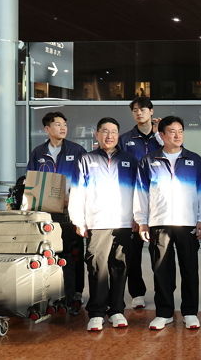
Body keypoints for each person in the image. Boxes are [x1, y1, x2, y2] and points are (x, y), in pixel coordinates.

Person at [133, 116, 201, 330]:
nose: (177, 135)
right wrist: (142, 221)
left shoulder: (194, 160)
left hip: (187, 224)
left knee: (189, 269)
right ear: (161, 135)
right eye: (172, 131)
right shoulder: (149, 161)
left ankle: (189, 312)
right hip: (160, 223)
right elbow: (140, 193)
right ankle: (164, 312)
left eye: (180, 131)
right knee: (161, 270)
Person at [68, 118, 137, 331]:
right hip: (97, 222)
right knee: (98, 267)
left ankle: (116, 310)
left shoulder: (129, 160)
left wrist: (138, 218)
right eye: (105, 131)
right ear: (97, 135)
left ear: (118, 135)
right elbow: (77, 191)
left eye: (114, 131)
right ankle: (96, 312)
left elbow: (139, 192)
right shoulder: (86, 160)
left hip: (124, 223)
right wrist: (78, 220)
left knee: (120, 266)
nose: (109, 136)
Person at [27, 111, 87, 314]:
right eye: (58, 124)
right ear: (47, 129)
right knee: (50, 253)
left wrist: (75, 199)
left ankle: (75, 295)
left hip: (70, 212)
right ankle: (54, 296)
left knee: (74, 254)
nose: (63, 128)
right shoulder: (38, 153)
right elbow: (31, 181)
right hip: (46, 214)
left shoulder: (77, 150)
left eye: (65, 124)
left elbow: (84, 181)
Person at [119, 96, 162, 309]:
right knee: (133, 252)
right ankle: (137, 292)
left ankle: (163, 292)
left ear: (151, 111)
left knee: (160, 252)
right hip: (132, 200)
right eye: (135, 110)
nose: (139, 113)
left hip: (158, 201)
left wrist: (160, 134)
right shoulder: (125, 139)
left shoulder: (161, 137)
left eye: (143, 109)